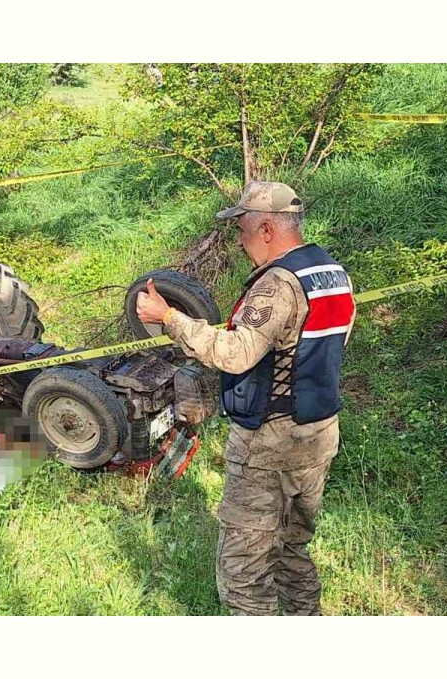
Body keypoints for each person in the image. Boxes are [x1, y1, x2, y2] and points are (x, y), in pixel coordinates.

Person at [136, 181, 356, 615]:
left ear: (268, 229)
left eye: (243, 231)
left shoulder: (278, 284)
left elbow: (236, 355)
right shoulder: (331, 271)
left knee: (244, 571)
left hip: (270, 443)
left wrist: (169, 319)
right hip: (318, 432)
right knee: (293, 552)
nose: (239, 242)